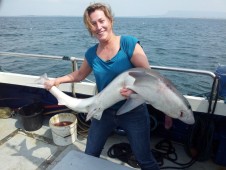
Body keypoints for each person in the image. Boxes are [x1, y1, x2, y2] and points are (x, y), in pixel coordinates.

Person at [45, 3, 159, 170]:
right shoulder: (91, 53)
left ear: (110, 20)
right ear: (89, 27)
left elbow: (148, 75)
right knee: (90, 153)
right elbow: (79, 75)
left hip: (133, 110)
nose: (98, 27)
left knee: (144, 159)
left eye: (101, 21)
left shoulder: (128, 43)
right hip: (102, 109)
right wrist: (56, 81)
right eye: (93, 23)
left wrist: (134, 90)